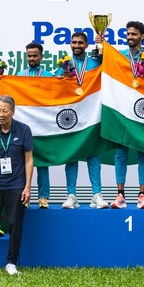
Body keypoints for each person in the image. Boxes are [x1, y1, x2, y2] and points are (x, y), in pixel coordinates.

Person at [0, 95, 33, 275]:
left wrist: (27, 187)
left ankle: (11, 262)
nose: (0, 114)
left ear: (12, 111)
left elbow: (28, 160)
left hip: (16, 185)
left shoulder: (24, 130)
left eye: (4, 111)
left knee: (14, 223)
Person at [56, 31, 107, 209]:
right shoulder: (64, 65)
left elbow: (110, 65)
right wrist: (61, 79)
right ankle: (71, 195)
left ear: (86, 45)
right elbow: (55, 88)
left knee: (93, 155)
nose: (76, 45)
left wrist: (102, 43)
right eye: (74, 42)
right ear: (70, 44)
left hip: (92, 114)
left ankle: (96, 194)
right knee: (73, 155)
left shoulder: (95, 62)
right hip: (72, 116)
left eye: (80, 43)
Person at [111, 21, 144, 209]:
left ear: (142, 36)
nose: (130, 37)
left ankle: (142, 195)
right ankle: (120, 195)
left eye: (134, 34)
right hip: (122, 109)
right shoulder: (118, 56)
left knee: (143, 154)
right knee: (121, 154)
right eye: (128, 34)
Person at [16, 42, 53, 208]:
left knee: (42, 163)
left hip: (42, 126)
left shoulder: (48, 76)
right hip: (23, 127)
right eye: (29, 56)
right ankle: (25, 196)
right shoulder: (19, 75)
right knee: (23, 162)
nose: (31, 58)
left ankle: (43, 197)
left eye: (35, 55)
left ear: (41, 57)